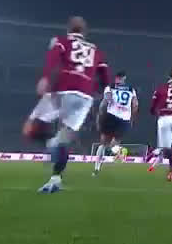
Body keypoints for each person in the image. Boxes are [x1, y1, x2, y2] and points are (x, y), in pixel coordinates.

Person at [24, 17, 111, 194]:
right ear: (84, 32)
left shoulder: (61, 41)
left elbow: (53, 58)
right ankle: (55, 179)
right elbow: (104, 74)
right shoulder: (95, 49)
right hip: (85, 96)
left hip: (63, 89)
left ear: (68, 29)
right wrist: (104, 91)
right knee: (64, 137)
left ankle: (50, 144)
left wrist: (45, 77)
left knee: (29, 128)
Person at [93, 72, 137, 176]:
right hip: (124, 119)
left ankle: (97, 168)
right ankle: (119, 150)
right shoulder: (131, 89)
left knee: (103, 143)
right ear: (124, 78)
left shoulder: (110, 87)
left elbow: (105, 102)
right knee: (115, 142)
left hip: (111, 116)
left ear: (116, 78)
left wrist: (100, 116)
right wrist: (132, 119)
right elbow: (135, 105)